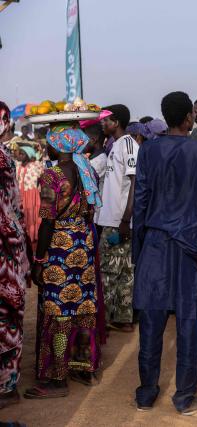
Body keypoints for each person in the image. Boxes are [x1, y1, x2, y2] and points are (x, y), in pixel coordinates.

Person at [132, 91, 197, 416]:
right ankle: (184, 398)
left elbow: (141, 202)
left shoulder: (148, 150)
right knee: (189, 323)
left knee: (151, 322)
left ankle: (146, 394)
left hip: (153, 245)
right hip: (187, 247)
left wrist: (139, 251)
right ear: (189, 118)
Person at [24, 122, 103, 398]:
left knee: (58, 312)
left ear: (58, 145)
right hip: (83, 243)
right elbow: (91, 211)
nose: (46, 146)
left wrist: (38, 258)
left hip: (60, 246)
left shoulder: (52, 175)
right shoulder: (87, 170)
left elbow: (46, 222)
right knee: (82, 306)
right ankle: (85, 367)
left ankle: (57, 378)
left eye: (49, 141)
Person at [97, 104, 137, 332]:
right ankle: (121, 319)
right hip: (113, 218)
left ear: (117, 122)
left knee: (111, 271)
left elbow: (134, 183)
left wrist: (125, 219)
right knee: (121, 270)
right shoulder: (115, 145)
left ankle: (109, 318)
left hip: (118, 220)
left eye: (106, 120)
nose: (103, 123)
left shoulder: (129, 145)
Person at [0, 101, 29, 409]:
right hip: (6, 252)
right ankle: (6, 387)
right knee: (8, 318)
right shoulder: (3, 157)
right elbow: (12, 210)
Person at [15, 141, 44, 249]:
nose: (19, 156)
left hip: (31, 194)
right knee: (22, 215)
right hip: (20, 195)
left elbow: (41, 172)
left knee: (31, 215)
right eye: (19, 153)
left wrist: (39, 151)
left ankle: (32, 237)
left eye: (22, 154)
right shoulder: (17, 165)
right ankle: (24, 235)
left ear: (28, 154)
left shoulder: (35, 165)